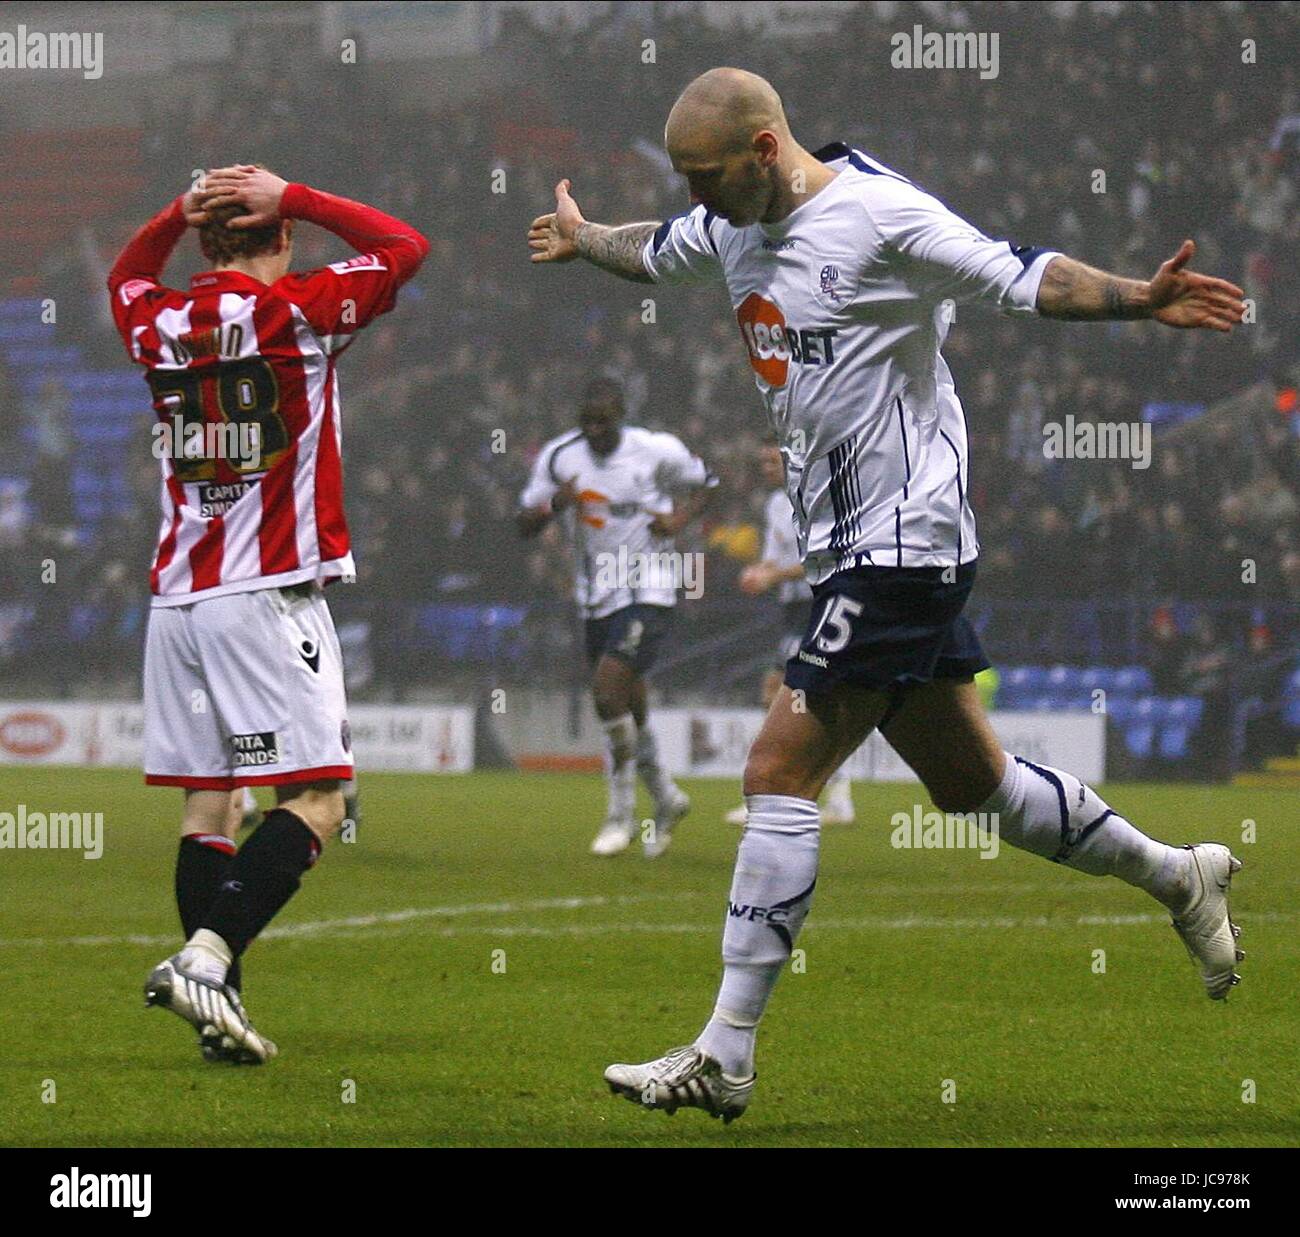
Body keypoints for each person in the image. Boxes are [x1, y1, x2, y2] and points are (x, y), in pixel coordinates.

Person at [528, 67, 1248, 1122]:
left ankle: (725, 1051)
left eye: (706, 174)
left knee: (777, 765)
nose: (695, 195)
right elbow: (656, 250)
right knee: (974, 785)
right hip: (845, 547)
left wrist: (1134, 298)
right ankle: (1181, 876)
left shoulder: (879, 215)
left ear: (766, 149)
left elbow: (1020, 274)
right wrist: (586, 237)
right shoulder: (728, 225)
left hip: (905, 538)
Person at [108, 164, 427, 1062]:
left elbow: (123, 275)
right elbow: (405, 246)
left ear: (204, 240)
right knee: (320, 798)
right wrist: (299, 194)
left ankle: (218, 1015)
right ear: (279, 237)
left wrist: (177, 207)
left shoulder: (157, 321)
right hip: (265, 592)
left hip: (177, 600)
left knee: (209, 810)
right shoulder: (300, 313)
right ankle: (207, 956)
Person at [518, 377, 715, 857]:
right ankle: (666, 797)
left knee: (607, 692)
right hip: (595, 597)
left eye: (603, 421)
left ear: (622, 414)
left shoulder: (656, 450)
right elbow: (523, 524)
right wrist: (554, 505)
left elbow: (706, 480)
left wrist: (680, 520)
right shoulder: (560, 457)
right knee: (630, 704)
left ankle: (619, 816)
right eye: (586, 422)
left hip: (650, 585)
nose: (594, 430)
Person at [726, 443, 854, 825]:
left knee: (788, 692)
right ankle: (801, 792)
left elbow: (823, 559)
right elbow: (775, 555)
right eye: (761, 460)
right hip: (791, 608)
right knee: (789, 695)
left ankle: (785, 794)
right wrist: (758, 572)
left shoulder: (817, 497)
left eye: (772, 460)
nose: (766, 467)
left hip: (820, 603)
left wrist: (773, 576)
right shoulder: (773, 505)